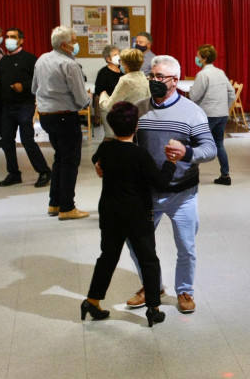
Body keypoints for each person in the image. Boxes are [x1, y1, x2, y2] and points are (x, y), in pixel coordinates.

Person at [120, 55, 216, 314]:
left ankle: (184, 290)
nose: (153, 81)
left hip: (182, 193)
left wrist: (187, 152)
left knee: (186, 246)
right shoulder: (138, 109)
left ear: (174, 81)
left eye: (159, 77)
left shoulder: (192, 112)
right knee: (136, 243)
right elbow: (122, 141)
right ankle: (153, 286)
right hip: (146, 193)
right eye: (151, 76)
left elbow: (210, 148)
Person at [82, 101, 180, 327]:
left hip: (110, 212)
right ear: (136, 126)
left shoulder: (105, 148)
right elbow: (161, 182)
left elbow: (95, 159)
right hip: (136, 214)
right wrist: (171, 162)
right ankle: (153, 308)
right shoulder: (140, 154)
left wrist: (100, 167)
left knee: (107, 258)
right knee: (148, 260)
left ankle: (92, 300)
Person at [32, 25, 90, 220]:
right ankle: (67, 207)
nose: (76, 44)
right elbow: (81, 98)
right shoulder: (69, 64)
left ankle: (54, 202)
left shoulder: (42, 59)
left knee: (60, 158)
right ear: (65, 45)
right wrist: (88, 101)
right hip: (65, 116)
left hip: (46, 115)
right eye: (74, 40)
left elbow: (34, 88)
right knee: (70, 162)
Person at [0, 27, 51, 187]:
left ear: (21, 40)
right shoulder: (3, 60)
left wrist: (24, 86)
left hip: (24, 105)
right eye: (7, 36)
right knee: (6, 141)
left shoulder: (30, 59)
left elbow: (38, 80)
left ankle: (44, 171)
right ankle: (14, 173)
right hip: (7, 107)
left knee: (27, 140)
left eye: (12, 37)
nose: (8, 39)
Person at [189, 44, 235, 185]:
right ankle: (225, 175)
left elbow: (194, 96)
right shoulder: (220, 72)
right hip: (221, 114)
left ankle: (190, 175)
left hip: (207, 114)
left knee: (195, 142)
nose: (196, 58)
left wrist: (191, 89)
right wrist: (225, 108)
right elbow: (231, 93)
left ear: (203, 59)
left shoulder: (202, 74)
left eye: (198, 56)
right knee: (219, 144)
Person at [98, 48, 150, 140]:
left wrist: (103, 97)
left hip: (127, 124)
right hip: (142, 122)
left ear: (125, 64)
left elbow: (109, 106)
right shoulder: (144, 78)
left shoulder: (126, 80)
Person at [93, 45, 122, 135]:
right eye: (115, 55)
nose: (118, 56)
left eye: (119, 54)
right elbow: (99, 92)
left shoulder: (122, 71)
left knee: (119, 134)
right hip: (107, 108)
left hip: (121, 107)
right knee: (110, 134)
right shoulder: (103, 73)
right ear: (108, 59)